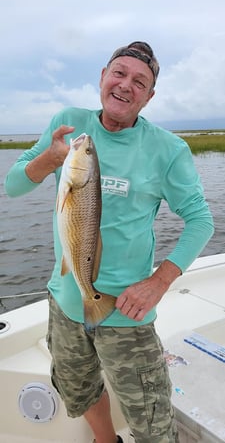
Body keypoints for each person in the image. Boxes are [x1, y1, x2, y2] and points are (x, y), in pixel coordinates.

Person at [4, 41, 214, 443]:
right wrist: (48, 159)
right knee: (78, 392)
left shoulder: (168, 149)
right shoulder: (69, 122)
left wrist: (159, 282)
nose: (125, 85)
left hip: (124, 310)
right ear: (102, 76)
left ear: (149, 96)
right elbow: (13, 185)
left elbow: (200, 220)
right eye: (119, 73)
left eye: (140, 81)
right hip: (66, 300)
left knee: (151, 417)